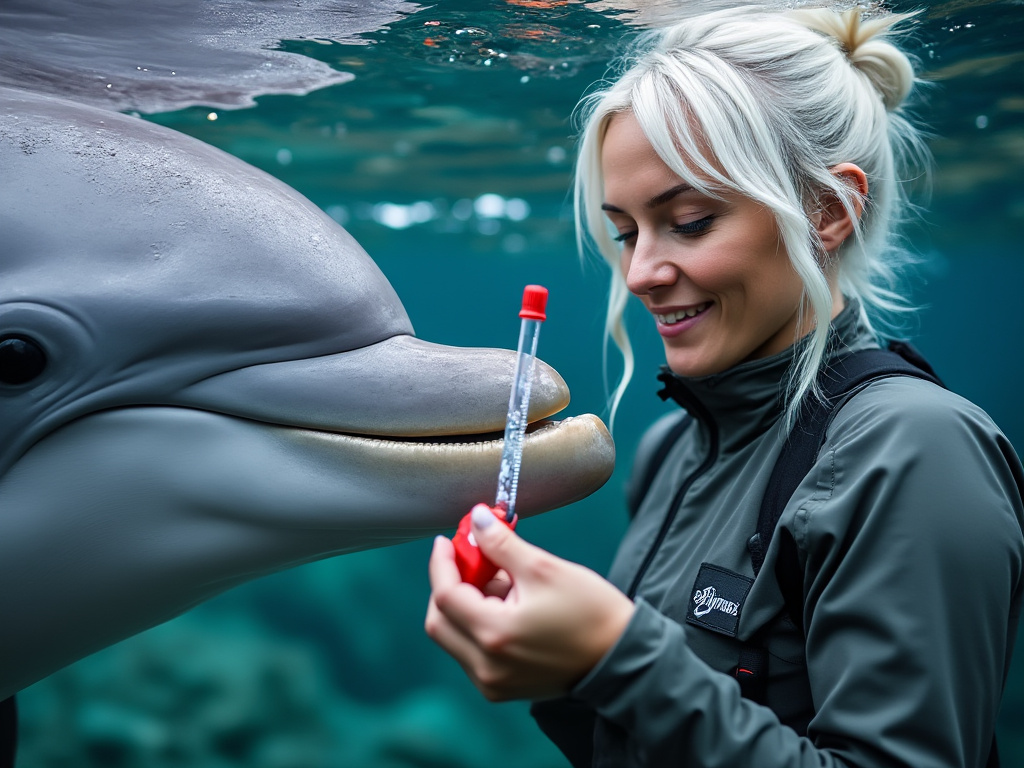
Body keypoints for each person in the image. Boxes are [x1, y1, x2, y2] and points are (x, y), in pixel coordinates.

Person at [425, 6, 1024, 767]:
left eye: (691, 220)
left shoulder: (918, 452)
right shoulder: (674, 447)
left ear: (829, 210)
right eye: (625, 230)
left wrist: (615, 656)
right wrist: (554, 660)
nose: (641, 273)